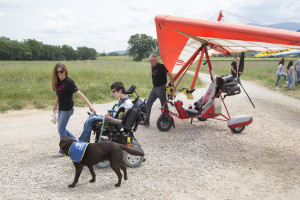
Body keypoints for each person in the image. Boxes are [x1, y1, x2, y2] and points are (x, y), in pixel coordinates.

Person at [52, 63, 95, 157]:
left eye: (61, 71)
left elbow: (79, 93)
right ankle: (74, 141)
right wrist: (55, 106)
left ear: (65, 71)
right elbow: (58, 95)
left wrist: (89, 105)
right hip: (61, 108)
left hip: (68, 108)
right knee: (61, 128)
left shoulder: (69, 82)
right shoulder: (59, 82)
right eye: (57, 72)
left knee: (61, 129)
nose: (59, 73)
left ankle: (63, 150)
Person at [140, 54, 174, 127]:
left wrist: (172, 85)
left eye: (152, 60)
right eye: (150, 61)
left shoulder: (161, 66)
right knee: (149, 102)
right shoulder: (152, 67)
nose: (151, 62)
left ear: (156, 60)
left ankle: (166, 121)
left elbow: (170, 75)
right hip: (154, 88)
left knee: (164, 105)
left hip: (161, 88)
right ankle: (146, 121)